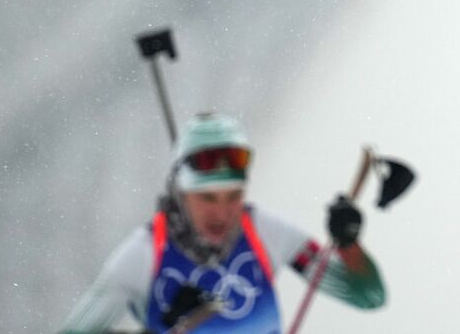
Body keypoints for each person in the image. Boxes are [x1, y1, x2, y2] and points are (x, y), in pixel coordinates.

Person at [59, 112, 385, 333]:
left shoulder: (265, 232)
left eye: (234, 197)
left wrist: (348, 243)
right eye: (207, 199)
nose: (222, 214)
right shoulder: (142, 256)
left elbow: (368, 297)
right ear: (180, 194)